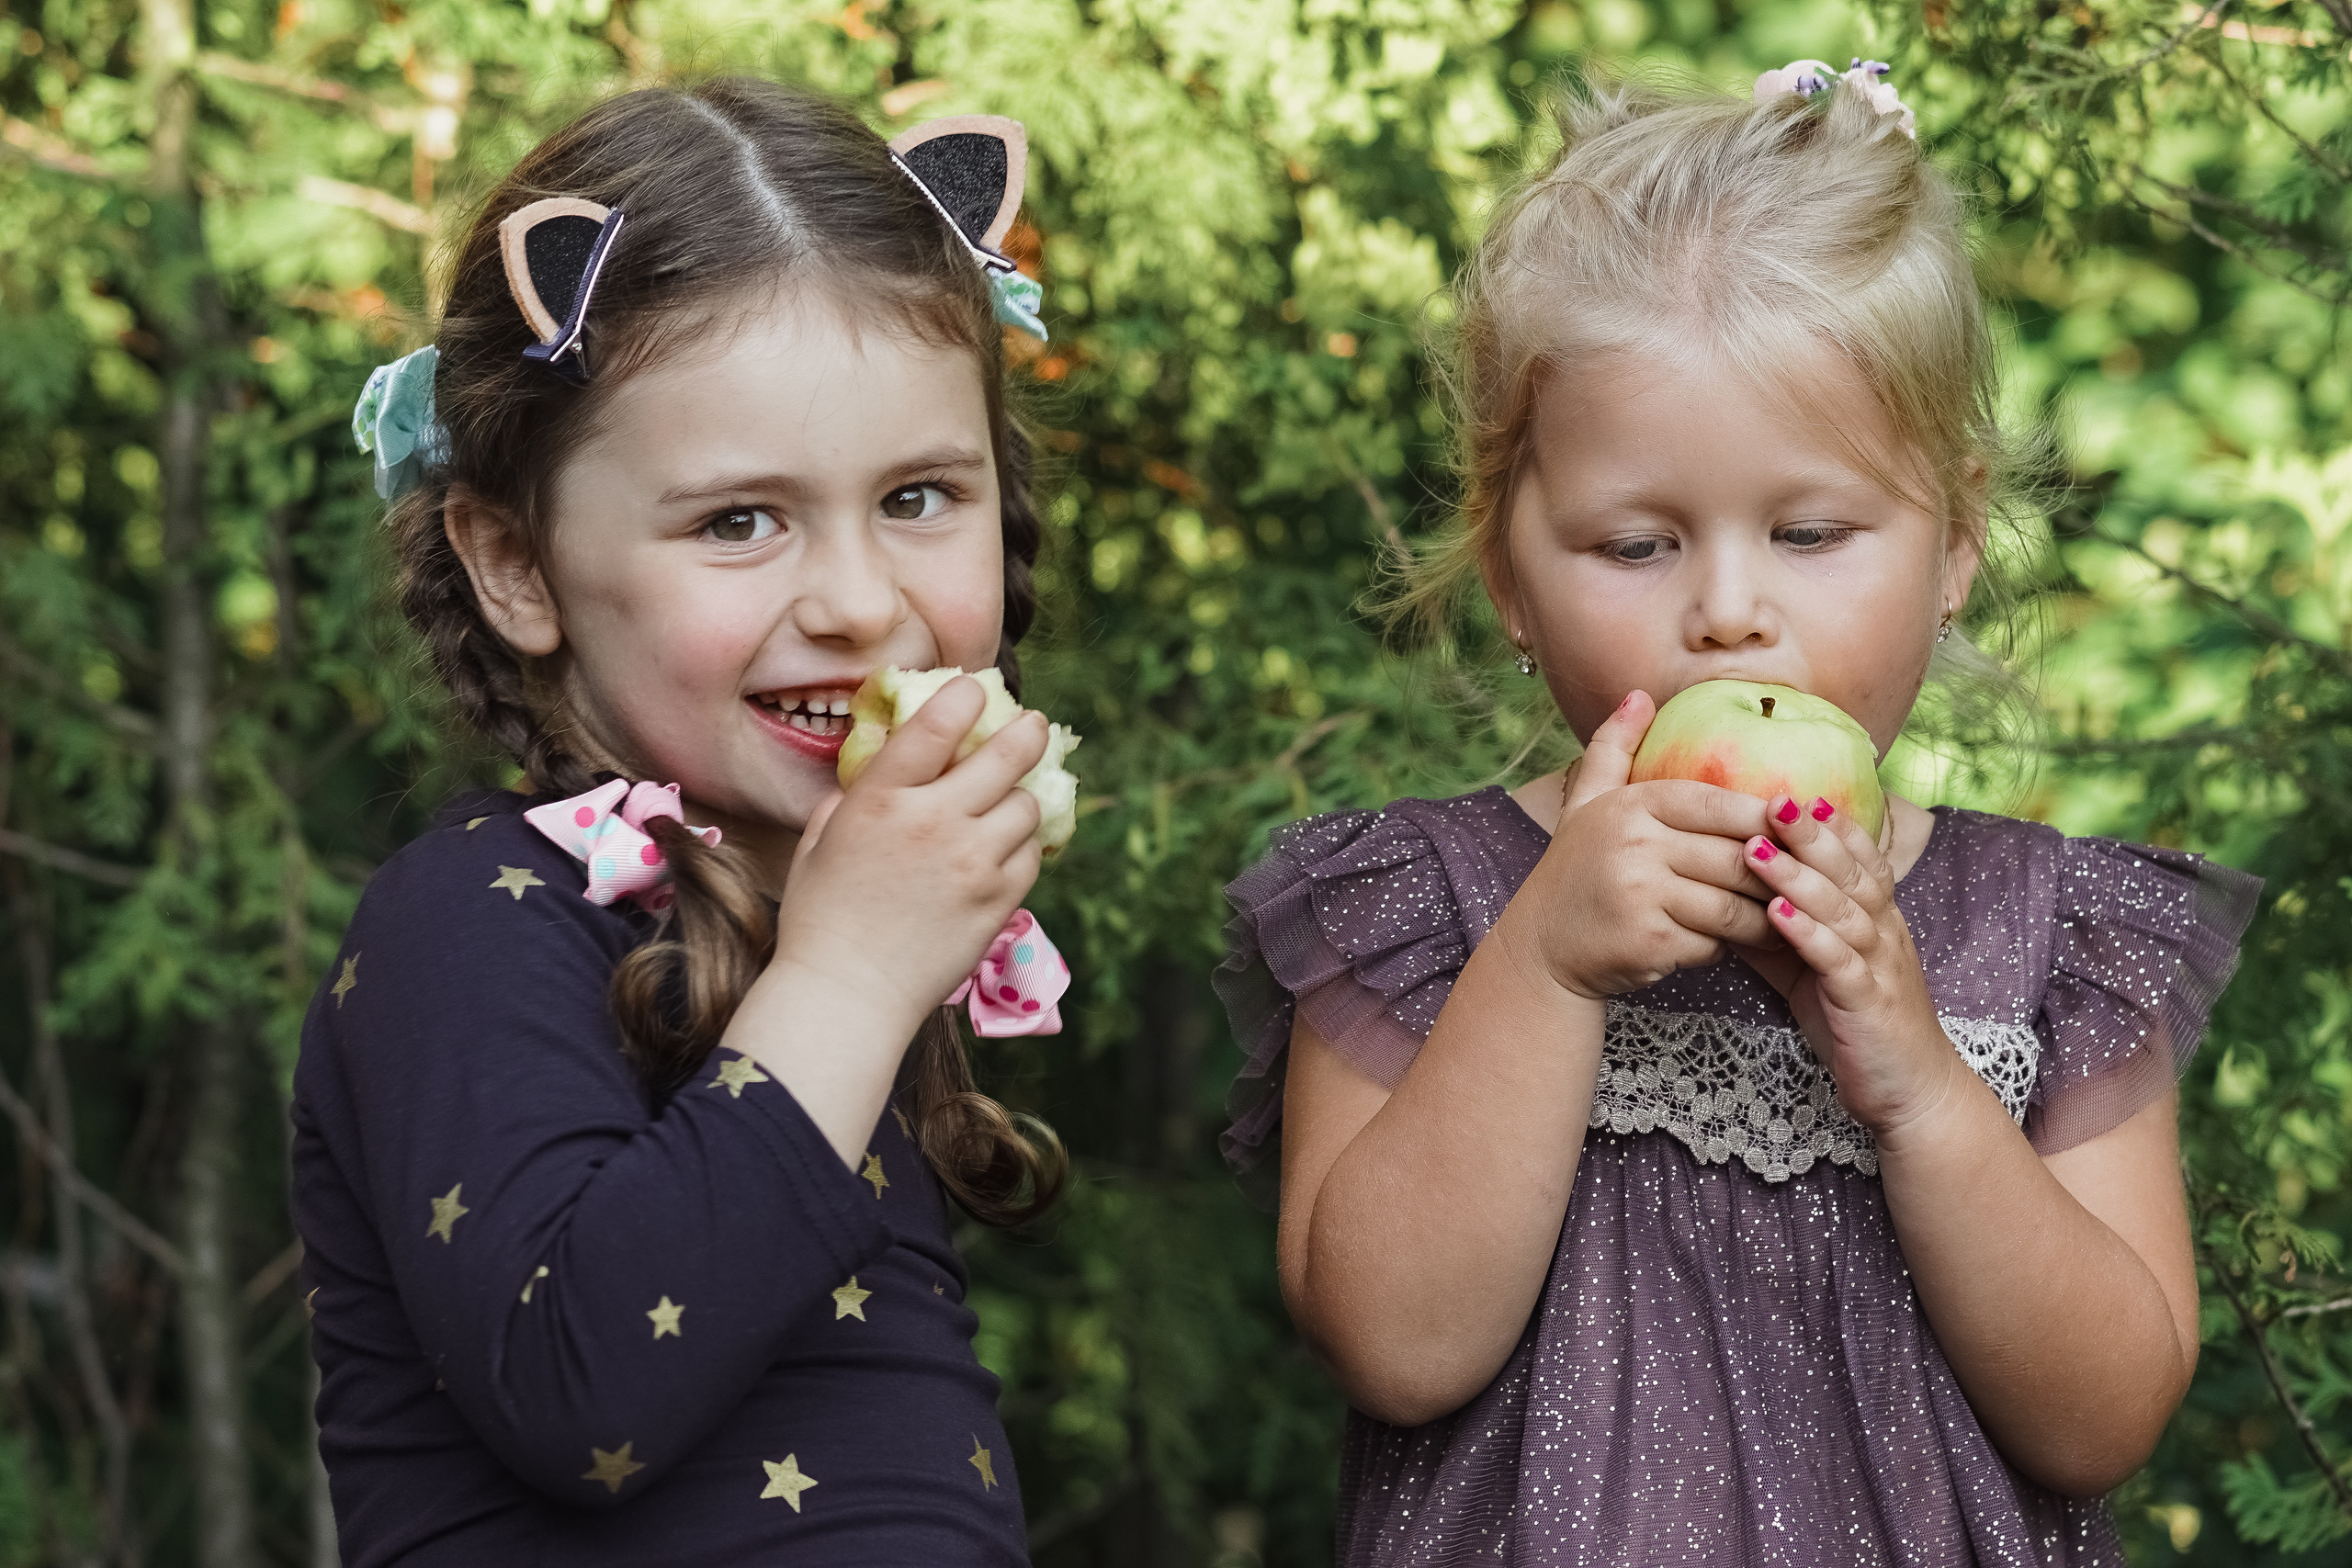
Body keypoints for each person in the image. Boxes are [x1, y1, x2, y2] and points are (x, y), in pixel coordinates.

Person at [1217, 62, 2261, 1566]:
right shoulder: (1426, 907)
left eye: (1810, 532)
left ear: (1955, 540)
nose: (1727, 613)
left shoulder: (2050, 936)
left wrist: (1917, 1081)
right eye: (1636, 543)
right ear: (1507, 572)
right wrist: (1546, 965)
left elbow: (2101, 1418)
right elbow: (1392, 1342)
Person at [293, 79, 1070, 1566]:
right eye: (737, 521)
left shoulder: (814, 925)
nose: (858, 601)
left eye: (918, 495)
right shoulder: (469, 916)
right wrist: (843, 980)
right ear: (515, 563)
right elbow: (582, 1388)